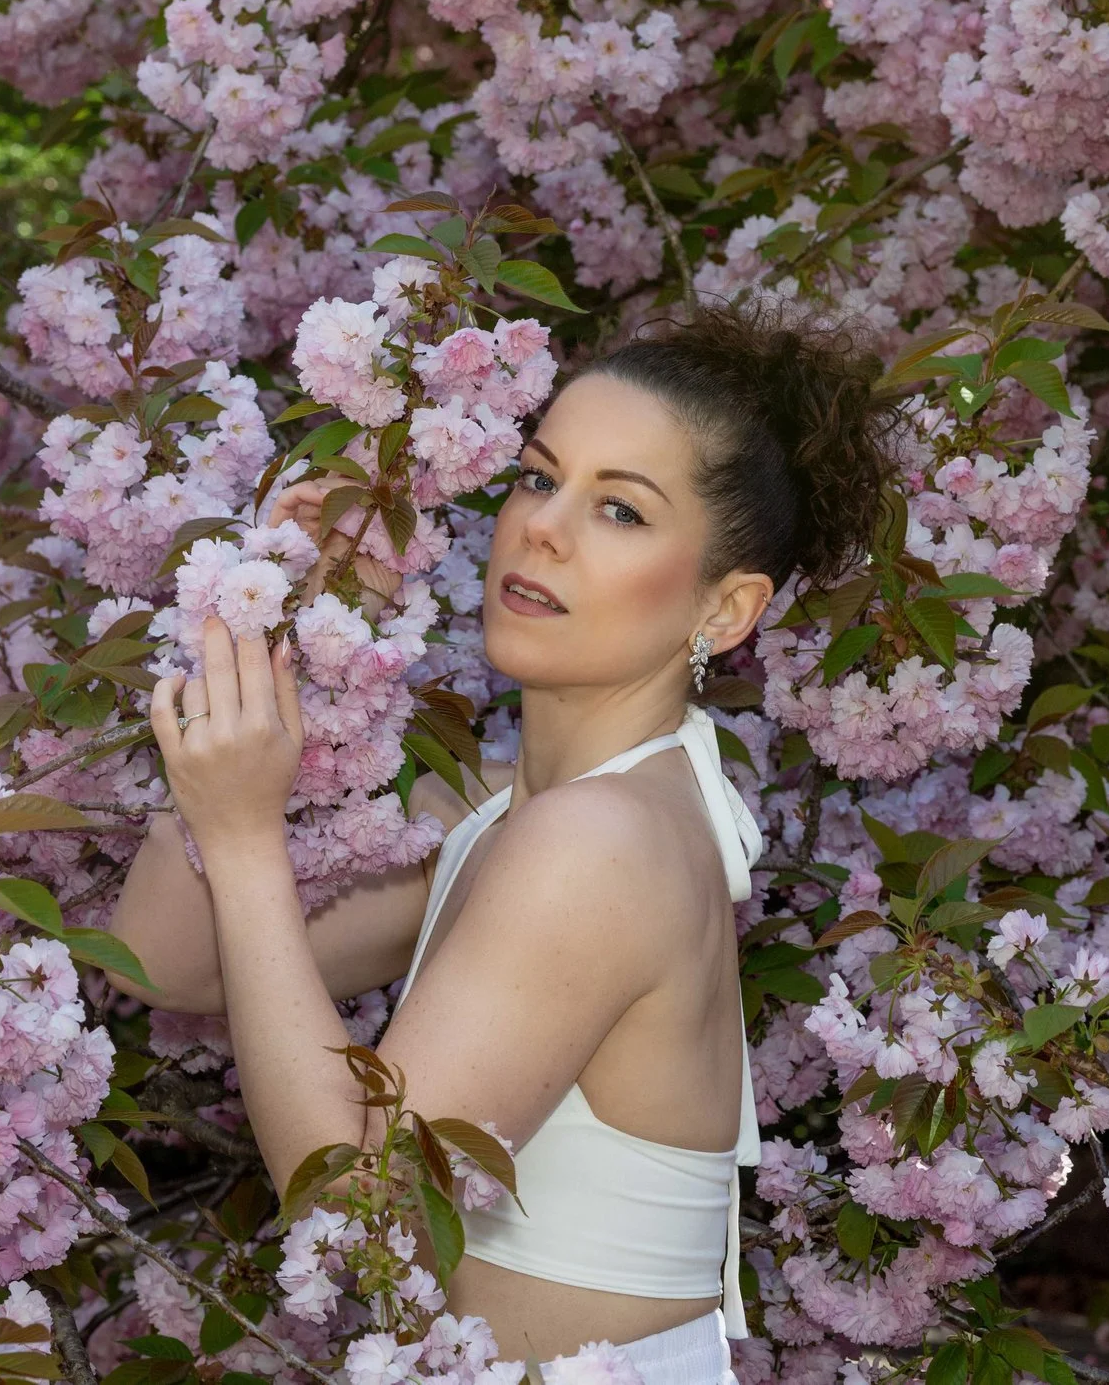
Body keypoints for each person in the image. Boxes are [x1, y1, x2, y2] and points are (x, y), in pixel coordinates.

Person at [106, 305, 894, 1383]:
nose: (543, 528)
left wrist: (244, 836)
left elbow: (358, 1206)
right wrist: (291, 640)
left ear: (724, 610)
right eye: (537, 477)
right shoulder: (505, 808)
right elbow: (164, 961)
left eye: (619, 508)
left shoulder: (600, 840)